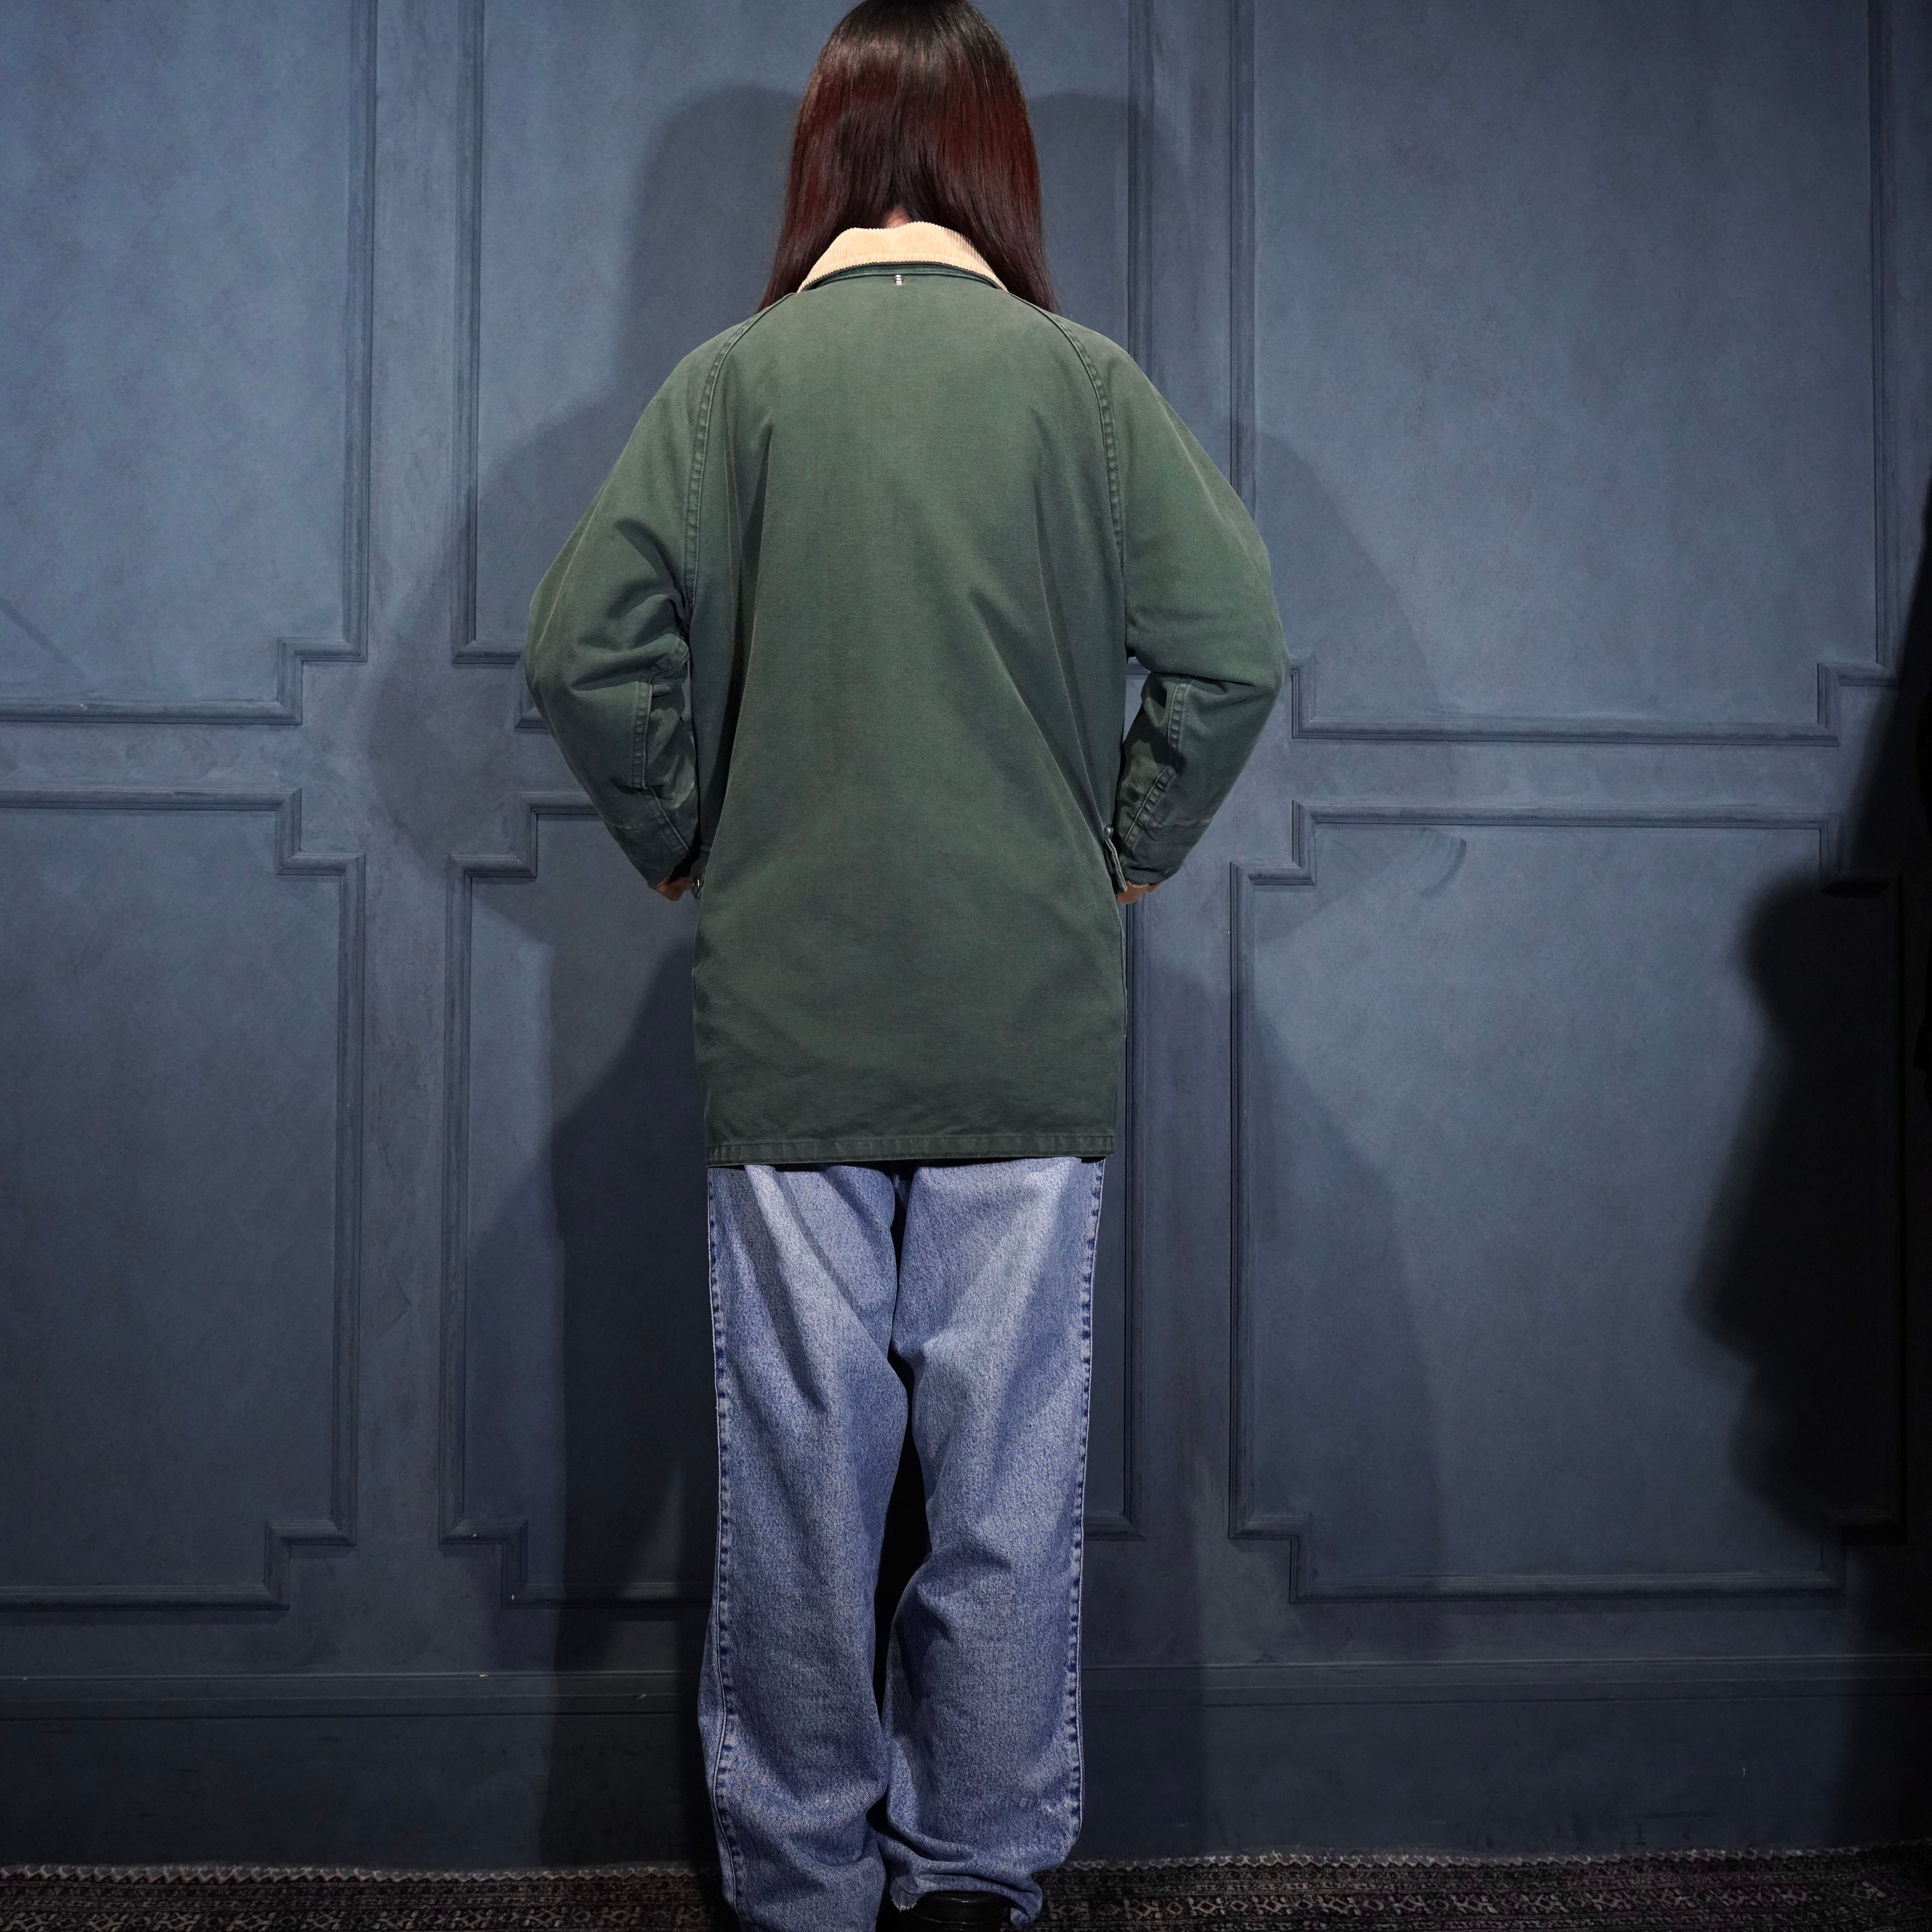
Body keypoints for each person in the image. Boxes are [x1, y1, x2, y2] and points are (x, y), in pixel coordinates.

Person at [522, 2, 1286, 1925]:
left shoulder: (732, 387)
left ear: (824, 156)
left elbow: (582, 652)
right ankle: (970, 1872)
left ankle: (799, 1882)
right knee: (1002, 1485)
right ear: (995, 163)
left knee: (800, 1480)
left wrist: (686, 831)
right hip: (1022, 1008)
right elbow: (1230, 650)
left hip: (790, 1014)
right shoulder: (1082, 389)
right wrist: (1122, 847)